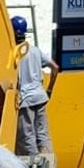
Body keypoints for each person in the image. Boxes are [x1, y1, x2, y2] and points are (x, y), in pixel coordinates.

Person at [12, 16, 59, 155]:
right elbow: (55, 67)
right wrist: (49, 89)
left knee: (26, 137)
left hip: (25, 100)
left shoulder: (13, 53)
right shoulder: (35, 50)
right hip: (41, 96)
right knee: (42, 134)